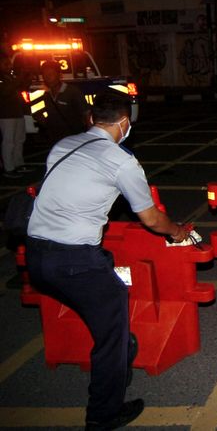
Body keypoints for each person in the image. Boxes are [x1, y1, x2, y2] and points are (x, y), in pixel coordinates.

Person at [25, 91, 192, 430]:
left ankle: (119, 365)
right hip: (76, 261)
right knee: (113, 336)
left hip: (36, 256)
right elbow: (150, 219)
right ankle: (103, 414)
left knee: (106, 300)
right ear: (125, 123)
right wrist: (176, 232)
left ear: (90, 119)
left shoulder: (63, 146)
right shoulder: (122, 160)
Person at [38, 60, 91, 144]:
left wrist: (89, 136)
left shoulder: (72, 92)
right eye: (45, 75)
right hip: (55, 140)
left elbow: (86, 114)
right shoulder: (47, 95)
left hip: (74, 138)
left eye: (51, 74)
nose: (48, 78)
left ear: (59, 75)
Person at [0, 53, 31, 178]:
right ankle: (9, 168)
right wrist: (19, 78)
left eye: (9, 63)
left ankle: (18, 164)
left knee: (19, 140)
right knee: (9, 141)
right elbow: (5, 91)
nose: (9, 66)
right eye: (5, 63)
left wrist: (26, 78)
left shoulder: (10, 76)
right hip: (6, 115)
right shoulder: (2, 78)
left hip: (17, 113)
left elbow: (21, 88)